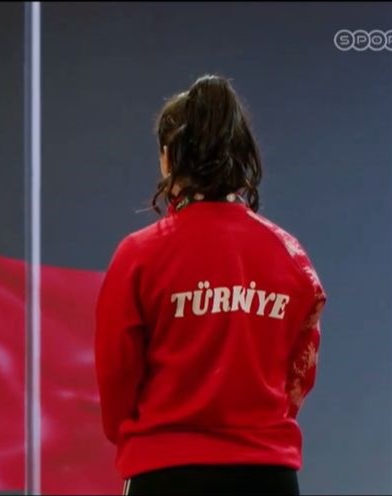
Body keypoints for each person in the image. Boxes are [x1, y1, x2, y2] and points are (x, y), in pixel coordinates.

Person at [94, 74, 326, 496]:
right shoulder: (291, 257)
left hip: (165, 473)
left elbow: (117, 389)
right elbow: (299, 377)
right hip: (267, 475)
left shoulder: (138, 256)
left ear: (167, 159)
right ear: (239, 155)